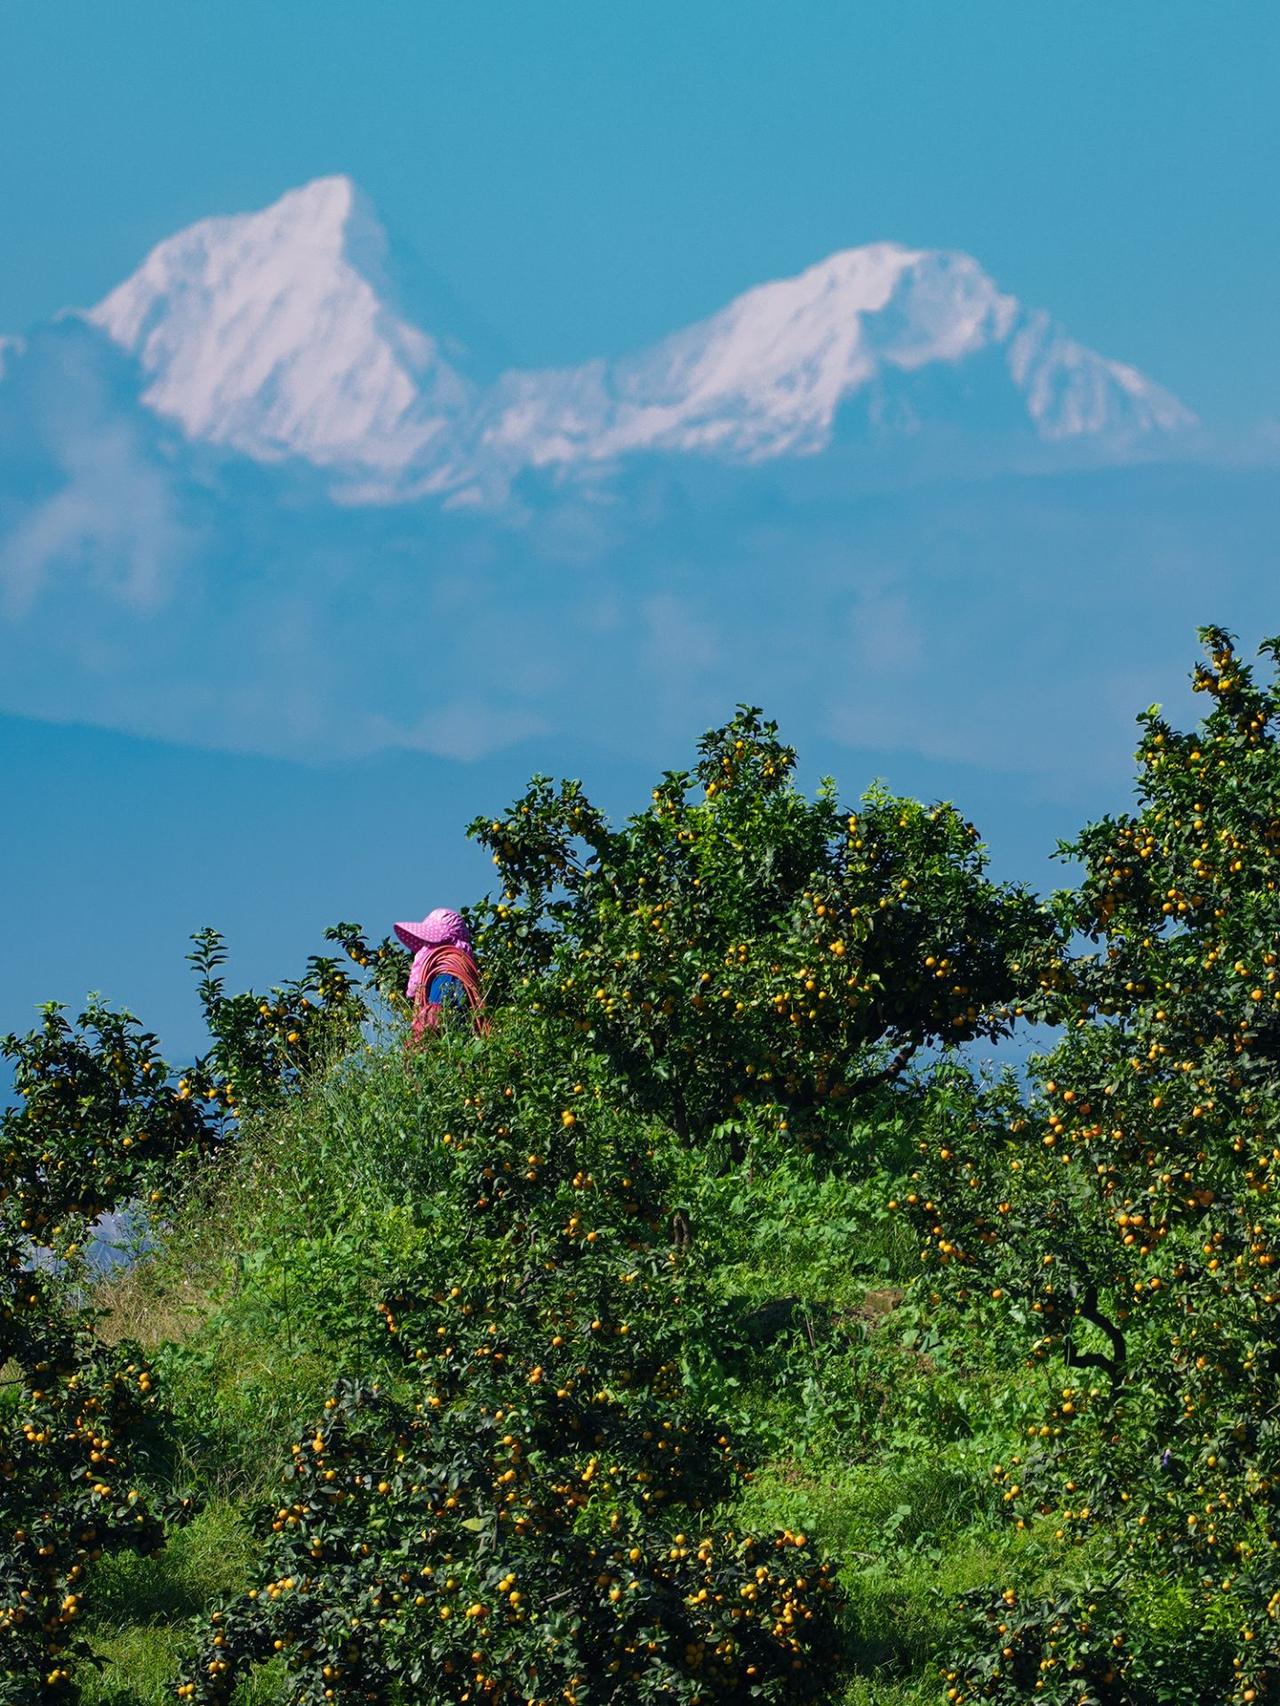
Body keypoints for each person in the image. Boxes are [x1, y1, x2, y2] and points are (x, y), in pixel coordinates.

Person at [394, 908, 486, 1040]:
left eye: (430, 943)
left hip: (446, 1039)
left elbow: (436, 1017)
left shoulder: (446, 972)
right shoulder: (457, 968)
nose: (425, 948)